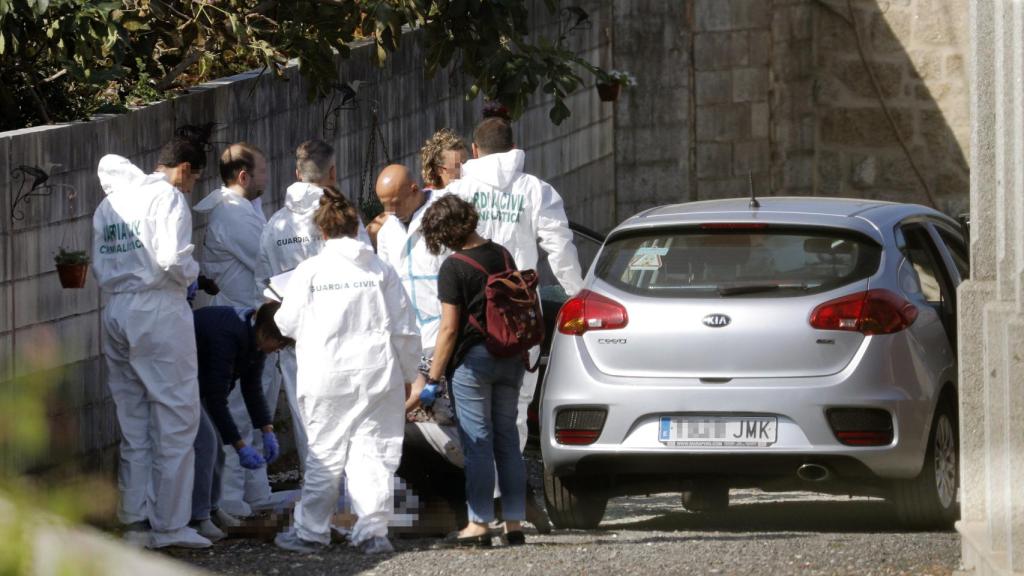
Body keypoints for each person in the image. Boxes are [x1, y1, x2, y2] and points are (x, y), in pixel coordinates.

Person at [272, 186, 420, 555]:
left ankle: (310, 532)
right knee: (373, 455)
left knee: (325, 453)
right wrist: (406, 375)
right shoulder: (379, 270)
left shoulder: (309, 271)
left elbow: (286, 324)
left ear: (321, 233)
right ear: (356, 227)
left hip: (326, 376)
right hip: (376, 374)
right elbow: (405, 329)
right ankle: (372, 532)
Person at [92, 132, 210, 549]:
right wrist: (194, 274)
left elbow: (98, 261)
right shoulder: (168, 198)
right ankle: (170, 524)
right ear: (183, 170)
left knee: (134, 419)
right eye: (194, 179)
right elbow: (173, 259)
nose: (191, 186)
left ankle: (134, 521)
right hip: (158, 309)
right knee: (177, 418)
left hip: (116, 310)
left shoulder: (109, 205)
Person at [444, 117, 584, 454]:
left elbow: (434, 255)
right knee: (515, 411)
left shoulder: (456, 193)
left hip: (467, 314)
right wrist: (578, 296)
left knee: (471, 411)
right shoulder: (536, 190)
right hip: (518, 315)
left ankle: (482, 495)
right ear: (514, 147)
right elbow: (560, 249)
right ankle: (509, 494)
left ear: (474, 151)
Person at [420, 194, 527, 547]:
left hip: (473, 363)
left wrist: (432, 379)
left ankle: (479, 524)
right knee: (508, 441)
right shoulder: (503, 253)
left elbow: (449, 329)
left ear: (445, 231)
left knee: (477, 443)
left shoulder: (454, 267)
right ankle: (514, 524)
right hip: (510, 357)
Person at [256, 139, 370, 469]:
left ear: (296, 173)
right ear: (332, 172)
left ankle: (318, 500)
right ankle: (352, 503)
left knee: (307, 422)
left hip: (296, 339)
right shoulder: (342, 218)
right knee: (350, 421)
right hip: (343, 336)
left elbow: (262, 284)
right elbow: (364, 265)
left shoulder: (274, 225)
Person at [193, 142, 280, 518]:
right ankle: (229, 499)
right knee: (236, 412)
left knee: (254, 407)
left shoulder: (244, 209)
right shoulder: (233, 216)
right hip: (235, 326)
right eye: (262, 171)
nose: (267, 177)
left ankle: (254, 493)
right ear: (243, 176)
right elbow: (269, 261)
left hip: (251, 324)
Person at [190, 303, 291, 542]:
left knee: (218, 451)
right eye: (281, 344)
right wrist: (240, 446)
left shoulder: (254, 339)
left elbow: (252, 389)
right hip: (180, 382)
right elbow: (216, 399)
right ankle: (198, 517)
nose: (278, 350)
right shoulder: (228, 336)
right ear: (267, 333)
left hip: (199, 385)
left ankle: (212, 509)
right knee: (207, 445)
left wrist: (268, 431)